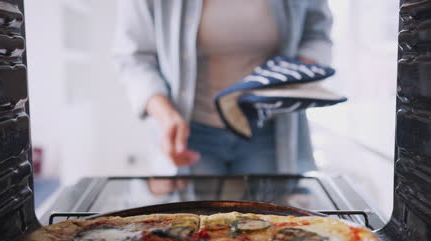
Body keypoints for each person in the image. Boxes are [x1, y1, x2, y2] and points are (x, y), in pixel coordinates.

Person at [114, 0, 332, 178]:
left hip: (270, 128)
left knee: (271, 220)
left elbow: (317, 34)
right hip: (190, 131)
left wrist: (292, 76)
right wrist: (165, 115)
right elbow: (135, 58)